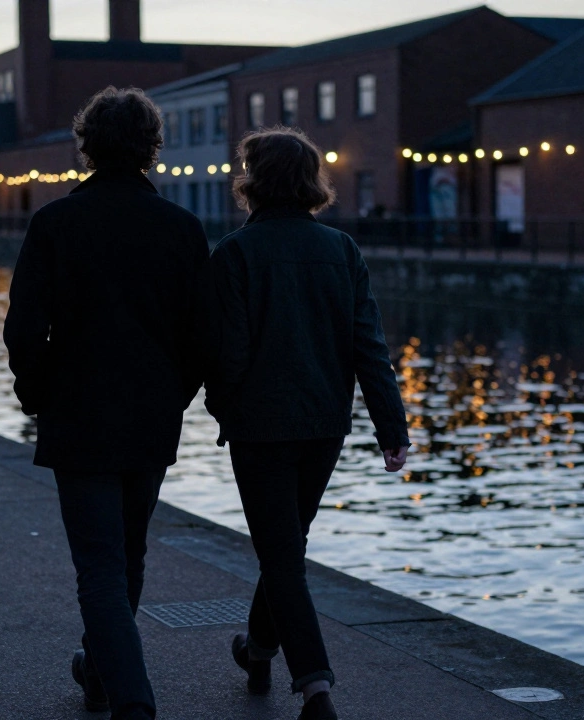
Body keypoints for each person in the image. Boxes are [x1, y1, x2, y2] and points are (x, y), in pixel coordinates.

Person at [2, 87, 208, 720]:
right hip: (150, 415)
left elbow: (23, 328)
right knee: (129, 554)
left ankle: (132, 700)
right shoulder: (181, 228)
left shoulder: (56, 223)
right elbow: (203, 335)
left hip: (79, 413)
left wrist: (38, 395)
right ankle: (99, 672)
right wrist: (175, 395)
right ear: (152, 147)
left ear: (86, 145)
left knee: (99, 566)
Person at [204, 128, 410, 720]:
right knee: (286, 546)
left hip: (260, 428)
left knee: (282, 556)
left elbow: (228, 353)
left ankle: (316, 688)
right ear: (311, 181)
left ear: (253, 181)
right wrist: (391, 428)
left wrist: (224, 407)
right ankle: (257, 650)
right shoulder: (342, 250)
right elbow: (369, 346)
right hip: (323, 426)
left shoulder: (235, 253)